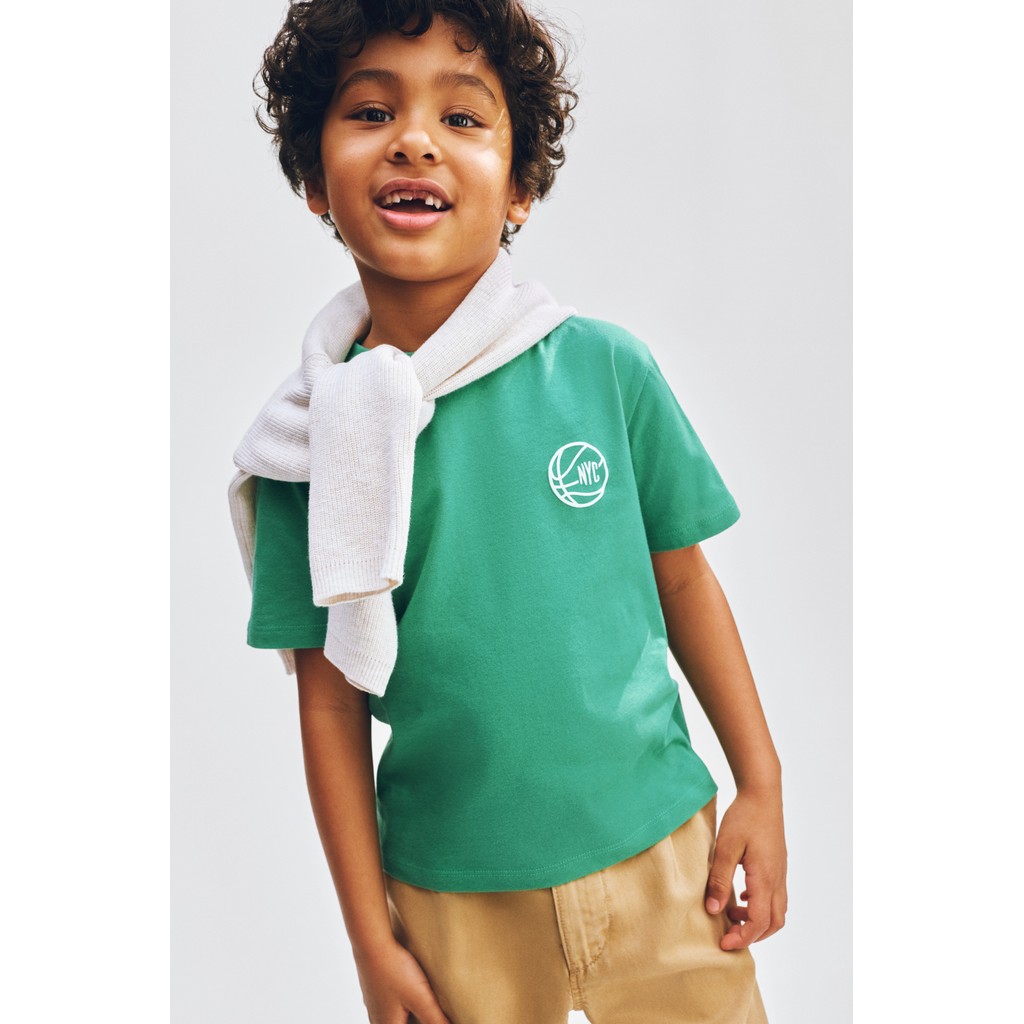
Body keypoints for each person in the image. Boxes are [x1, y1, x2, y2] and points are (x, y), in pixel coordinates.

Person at [228, 1, 788, 1021]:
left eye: (462, 117)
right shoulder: (307, 448)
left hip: (664, 857)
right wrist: (370, 940)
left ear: (520, 186)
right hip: (452, 902)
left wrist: (760, 780)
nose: (414, 140)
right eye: (370, 112)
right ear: (314, 179)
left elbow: (681, 580)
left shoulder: (605, 369)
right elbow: (328, 702)